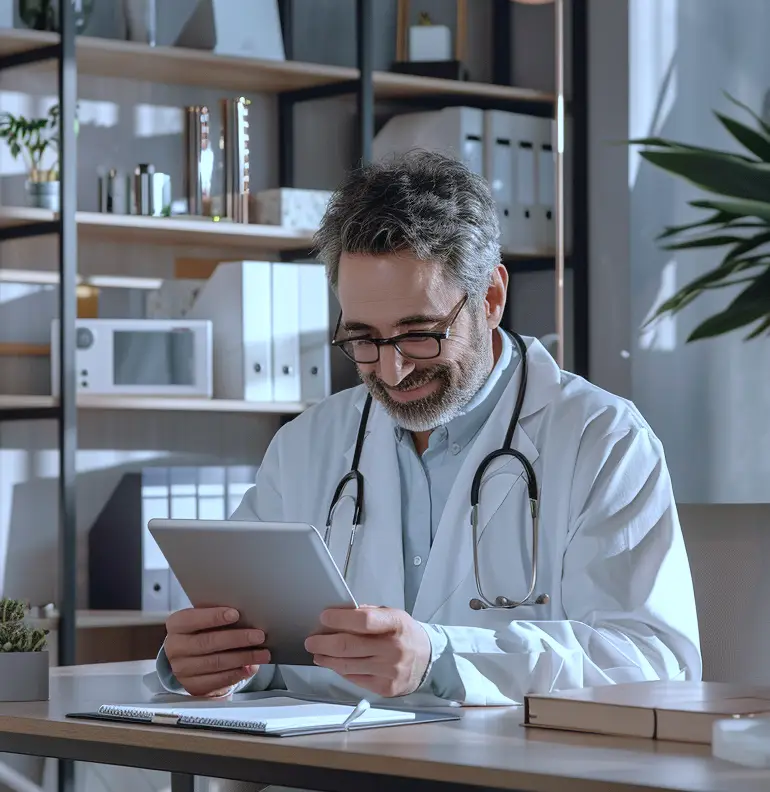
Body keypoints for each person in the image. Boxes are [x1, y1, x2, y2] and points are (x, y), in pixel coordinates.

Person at [153, 150, 702, 711]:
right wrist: (216, 661)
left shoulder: (602, 438)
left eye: (419, 334)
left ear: (490, 298)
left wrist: (440, 657)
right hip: (336, 764)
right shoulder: (307, 444)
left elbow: (652, 659)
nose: (392, 371)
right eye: (363, 339)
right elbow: (263, 645)